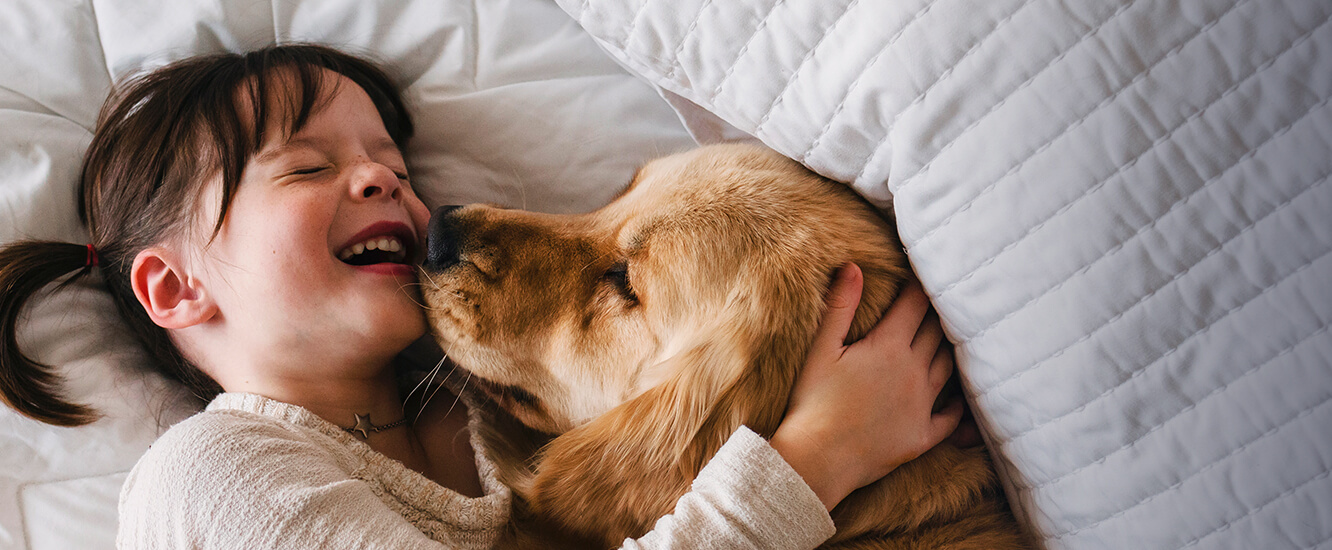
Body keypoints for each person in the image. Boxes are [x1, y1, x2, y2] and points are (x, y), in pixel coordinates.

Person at [0, 44, 963, 548]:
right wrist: (812, 462)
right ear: (174, 288)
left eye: (393, 162)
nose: (390, 184)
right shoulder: (213, 475)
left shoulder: (483, 423)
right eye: (306, 167)